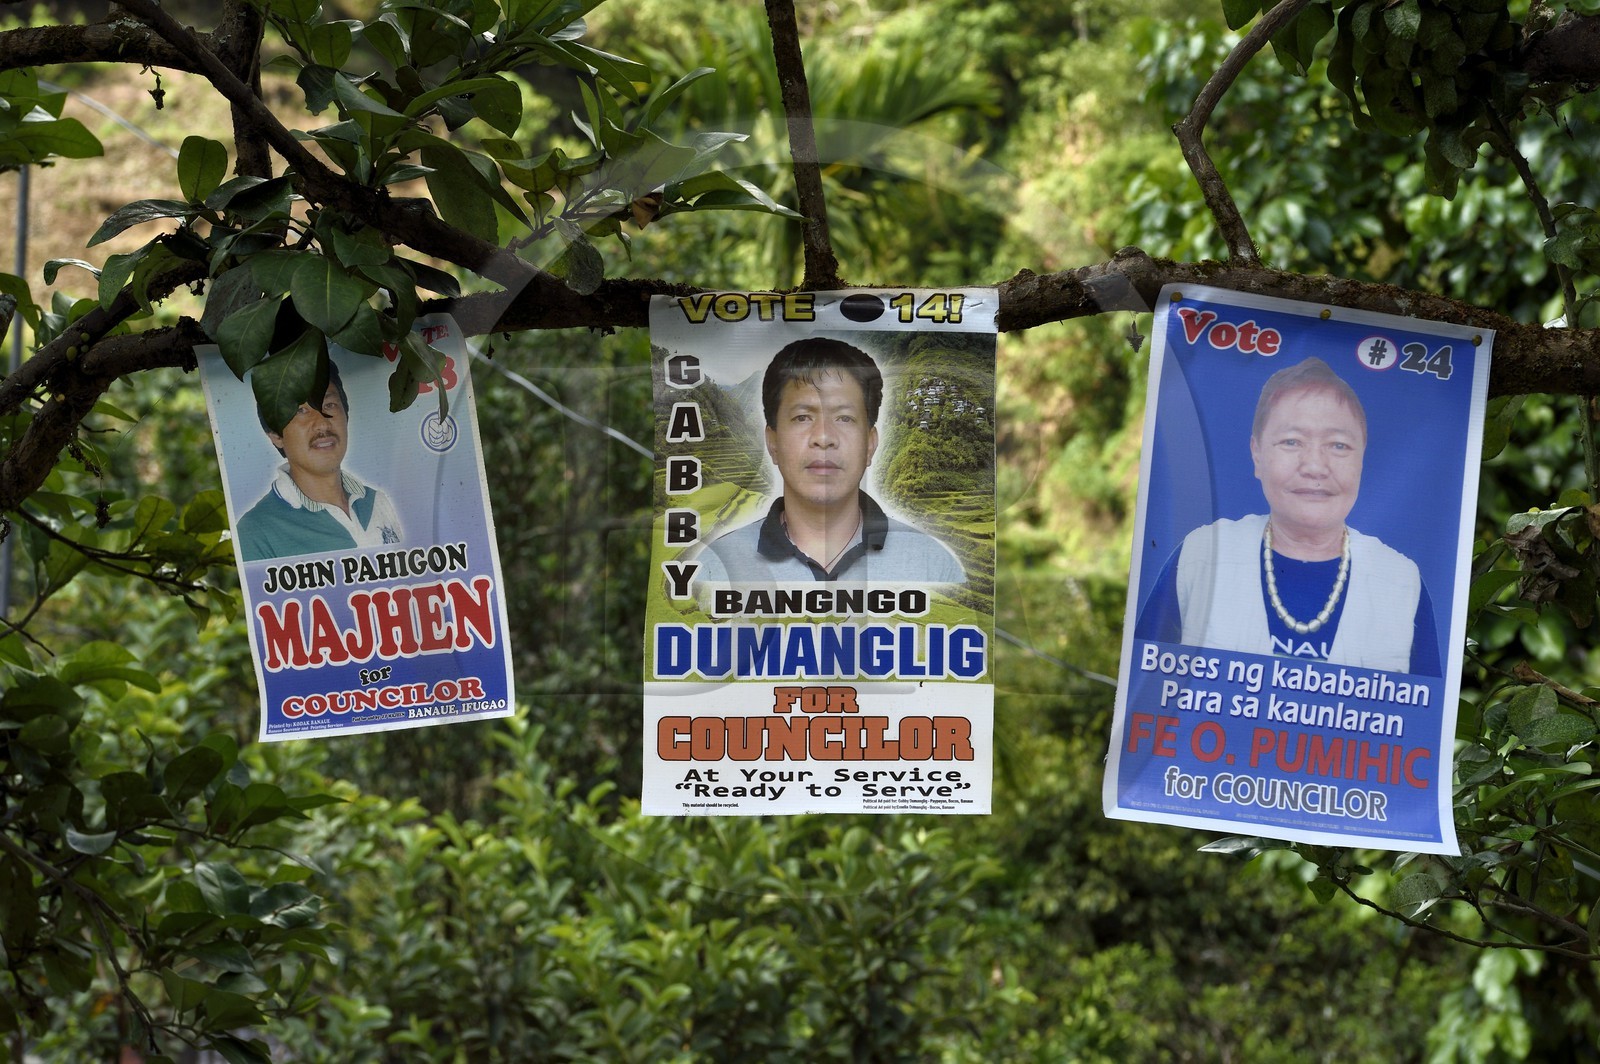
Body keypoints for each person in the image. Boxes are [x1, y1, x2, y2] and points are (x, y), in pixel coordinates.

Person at [1136, 356, 1439, 674]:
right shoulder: (1202, 556)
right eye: (1292, 442)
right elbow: (1141, 690)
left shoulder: (1400, 583)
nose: (1314, 466)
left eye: (1338, 445)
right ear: (1257, 453)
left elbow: (1425, 719)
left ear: (1362, 458)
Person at [694, 338, 965, 584]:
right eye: (803, 417)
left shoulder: (934, 566)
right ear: (773, 441)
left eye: (844, 418)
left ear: (870, 444)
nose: (823, 437)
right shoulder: (715, 567)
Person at [235, 360, 402, 562]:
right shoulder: (255, 531)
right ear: (275, 434)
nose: (322, 422)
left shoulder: (377, 502)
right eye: (300, 410)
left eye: (329, 405)